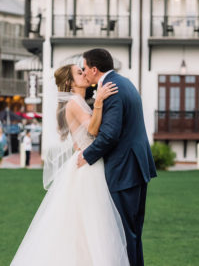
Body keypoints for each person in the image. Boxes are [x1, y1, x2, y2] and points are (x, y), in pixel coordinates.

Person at [10, 63, 129, 266]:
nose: (84, 74)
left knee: (84, 223)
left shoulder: (78, 101)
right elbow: (92, 130)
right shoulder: (74, 101)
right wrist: (99, 101)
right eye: (79, 72)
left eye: (83, 71)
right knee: (92, 220)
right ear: (69, 82)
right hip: (88, 166)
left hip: (88, 160)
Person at [78, 48, 157, 266]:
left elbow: (110, 135)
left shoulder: (111, 89)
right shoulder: (123, 82)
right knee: (132, 233)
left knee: (123, 233)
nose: (84, 73)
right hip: (135, 167)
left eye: (84, 69)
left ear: (94, 69)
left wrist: (87, 155)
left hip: (125, 170)